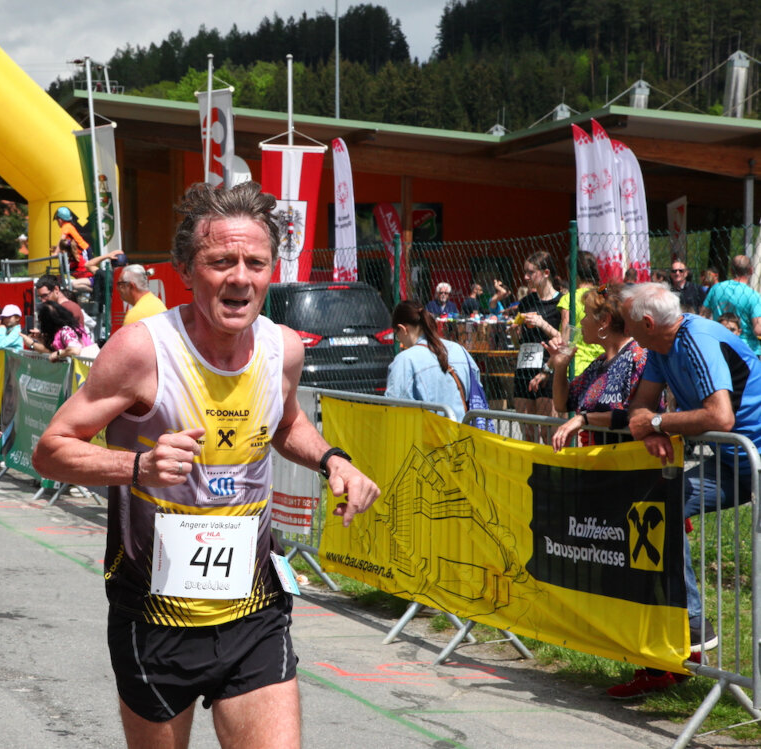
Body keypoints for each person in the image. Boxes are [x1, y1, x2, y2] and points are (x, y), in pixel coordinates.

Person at [32, 181, 379, 749]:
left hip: (254, 610)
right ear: (186, 272)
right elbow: (51, 449)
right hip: (154, 615)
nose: (240, 277)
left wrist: (331, 459)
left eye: (255, 263)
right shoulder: (142, 350)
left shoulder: (284, 349)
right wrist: (139, 466)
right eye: (221, 262)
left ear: (271, 271)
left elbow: (285, 423)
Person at [620, 283, 761, 694]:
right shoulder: (659, 348)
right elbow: (640, 407)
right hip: (734, 461)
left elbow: (721, 417)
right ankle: (694, 622)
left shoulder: (696, 339)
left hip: (751, 455)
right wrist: (649, 428)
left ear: (647, 323)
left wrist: (658, 423)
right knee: (659, 503)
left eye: (627, 321)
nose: (625, 328)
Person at [548, 284, 656, 451]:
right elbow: (563, 404)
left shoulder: (638, 357)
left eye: (586, 315)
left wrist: (584, 419)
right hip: (601, 461)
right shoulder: (599, 363)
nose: (582, 322)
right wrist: (561, 367)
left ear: (604, 321)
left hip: (631, 460)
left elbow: (637, 414)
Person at [386, 300, 486, 422]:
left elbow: (394, 408)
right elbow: (476, 392)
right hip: (462, 431)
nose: (399, 340)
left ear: (403, 329)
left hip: (427, 433)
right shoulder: (460, 350)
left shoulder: (404, 360)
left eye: (397, 336)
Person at [513, 251, 563, 441]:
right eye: (525, 272)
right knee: (527, 431)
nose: (526, 277)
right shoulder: (526, 302)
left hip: (548, 368)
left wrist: (542, 323)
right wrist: (513, 332)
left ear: (546, 273)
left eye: (531, 272)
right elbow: (519, 342)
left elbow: (565, 340)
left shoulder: (560, 302)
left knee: (548, 432)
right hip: (524, 368)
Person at [556, 251, 605, 377]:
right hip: (603, 364)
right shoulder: (602, 295)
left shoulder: (569, 299)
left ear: (572, 272)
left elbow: (566, 341)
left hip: (577, 368)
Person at [701, 254, 761, 354]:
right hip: (746, 349)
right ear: (751, 270)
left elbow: (703, 316)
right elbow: (758, 329)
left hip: (720, 344)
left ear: (731, 270)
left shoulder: (716, 289)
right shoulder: (753, 295)